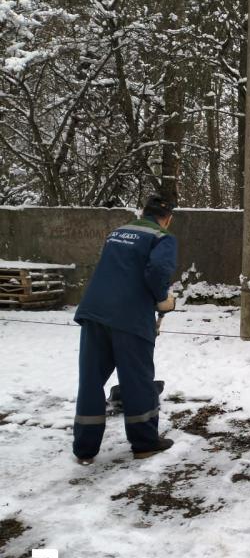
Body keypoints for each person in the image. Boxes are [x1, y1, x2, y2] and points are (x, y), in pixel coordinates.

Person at [72, 194, 178, 465]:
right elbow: (157, 270)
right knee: (137, 379)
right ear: (167, 218)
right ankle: (144, 443)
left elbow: (116, 270)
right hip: (130, 317)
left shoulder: (117, 233)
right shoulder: (161, 238)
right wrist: (161, 299)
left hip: (94, 311)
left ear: (143, 212)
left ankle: (85, 449)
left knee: (91, 380)